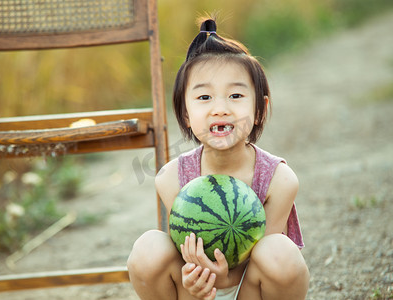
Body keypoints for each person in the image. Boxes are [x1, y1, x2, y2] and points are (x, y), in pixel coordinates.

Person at [127, 17, 310, 300]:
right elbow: (182, 252)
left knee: (279, 252)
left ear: (260, 110)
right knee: (148, 248)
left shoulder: (278, 180)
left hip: (250, 289)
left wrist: (226, 278)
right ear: (186, 115)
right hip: (196, 291)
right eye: (204, 98)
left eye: (235, 95)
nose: (220, 109)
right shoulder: (171, 178)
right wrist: (195, 280)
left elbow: (263, 257)